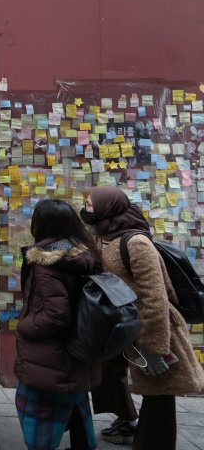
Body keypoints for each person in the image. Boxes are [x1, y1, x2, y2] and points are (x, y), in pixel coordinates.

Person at [82, 187, 204, 450]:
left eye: (90, 205)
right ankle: (128, 421)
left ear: (107, 207)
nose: (86, 210)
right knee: (114, 378)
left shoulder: (136, 243)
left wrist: (154, 349)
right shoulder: (103, 235)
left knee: (159, 396)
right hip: (124, 326)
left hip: (152, 328)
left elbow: (155, 297)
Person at [15, 199, 102, 450]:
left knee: (37, 415)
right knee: (74, 404)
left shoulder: (47, 261)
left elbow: (56, 314)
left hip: (50, 355)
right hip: (78, 347)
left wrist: (25, 327)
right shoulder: (82, 252)